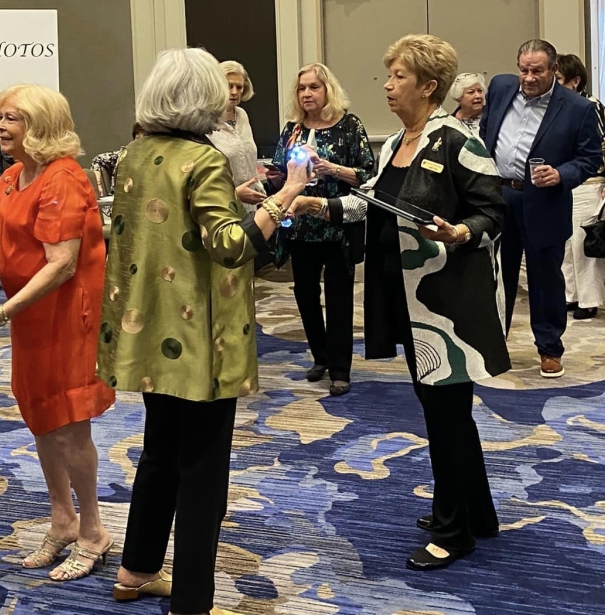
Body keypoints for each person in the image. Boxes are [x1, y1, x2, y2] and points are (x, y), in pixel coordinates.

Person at [98, 47, 309, 615]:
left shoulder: (134, 153)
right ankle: (193, 601)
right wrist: (287, 193)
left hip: (149, 329)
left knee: (160, 452)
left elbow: (169, 221)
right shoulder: (205, 159)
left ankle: (136, 569)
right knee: (203, 471)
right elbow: (231, 246)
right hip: (200, 339)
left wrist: (236, 201)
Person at [291, 34, 510, 571]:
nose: (387, 85)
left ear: (429, 86)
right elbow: (370, 204)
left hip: (446, 306)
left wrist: (460, 231)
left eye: (399, 77)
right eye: (388, 75)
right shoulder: (394, 144)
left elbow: (493, 213)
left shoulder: (457, 141)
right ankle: (478, 514)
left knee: (447, 415)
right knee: (444, 411)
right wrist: (315, 205)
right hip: (405, 299)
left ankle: (454, 532)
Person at [0, 84, 116, 582]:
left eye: (12, 118)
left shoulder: (64, 178)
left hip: (66, 318)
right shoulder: (13, 176)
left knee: (69, 423)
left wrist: (2, 312)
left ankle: (93, 530)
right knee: (40, 416)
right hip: (30, 318)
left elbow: (62, 265)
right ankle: (62, 519)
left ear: (39, 125)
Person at [480, 39, 602, 378]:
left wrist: (561, 174)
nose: (529, 78)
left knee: (545, 279)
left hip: (545, 201)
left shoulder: (578, 108)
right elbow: (486, 130)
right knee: (494, 276)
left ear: (554, 70)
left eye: (537, 71)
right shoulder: (501, 87)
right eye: (524, 70)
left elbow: (590, 158)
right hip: (499, 198)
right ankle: (492, 343)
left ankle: (549, 349)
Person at [268, 63, 374, 396]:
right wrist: (275, 178)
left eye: (314, 87)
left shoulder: (349, 125)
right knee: (305, 294)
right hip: (300, 227)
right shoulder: (293, 129)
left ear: (328, 90)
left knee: (339, 298)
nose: (307, 93)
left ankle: (340, 370)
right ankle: (321, 356)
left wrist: (331, 168)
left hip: (338, 226)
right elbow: (279, 171)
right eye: (302, 88)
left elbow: (367, 174)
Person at [556, 54, 605, 320]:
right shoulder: (553, 106)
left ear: (575, 81)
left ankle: (589, 300)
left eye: (559, 79)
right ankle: (569, 295)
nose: (554, 84)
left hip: (589, 182)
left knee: (584, 244)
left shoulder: (592, 106)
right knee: (563, 244)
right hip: (561, 182)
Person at [207, 60, 265, 212]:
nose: (234, 92)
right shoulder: (206, 121)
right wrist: (235, 194)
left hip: (251, 207)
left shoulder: (242, 115)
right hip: (222, 208)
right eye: (229, 86)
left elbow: (247, 162)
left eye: (239, 87)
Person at [90, 123, 145, 196]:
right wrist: (98, 185)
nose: (140, 143)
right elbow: (97, 160)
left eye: (144, 139)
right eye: (137, 139)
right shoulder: (123, 154)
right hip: (116, 199)